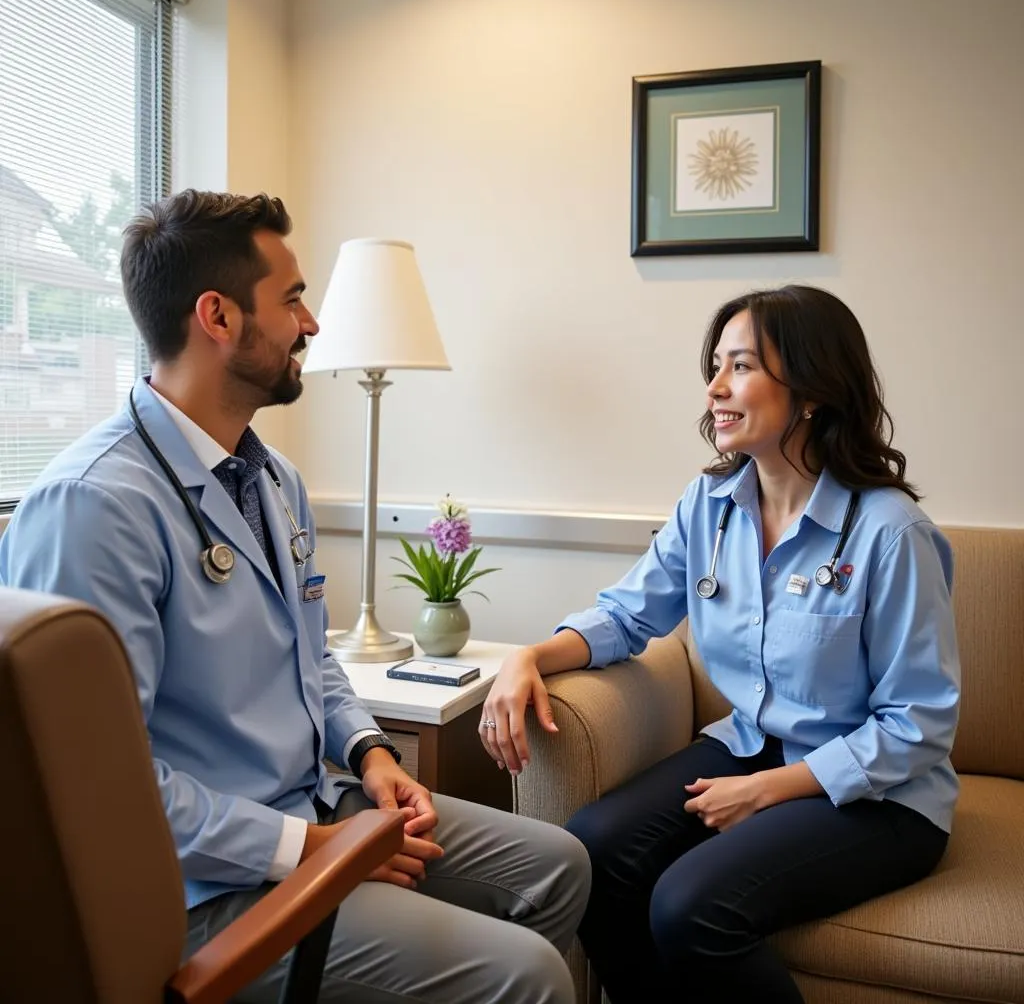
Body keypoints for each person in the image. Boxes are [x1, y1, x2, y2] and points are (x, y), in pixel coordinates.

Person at [0, 189, 589, 1004]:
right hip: (202, 886)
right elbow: (102, 790)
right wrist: (310, 848)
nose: (311, 324)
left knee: (557, 867)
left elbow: (314, 655)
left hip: (321, 798)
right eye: (292, 299)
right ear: (218, 316)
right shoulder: (96, 506)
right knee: (526, 978)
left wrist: (372, 756)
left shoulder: (271, 479)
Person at [479, 285, 960, 1003]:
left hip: (880, 796)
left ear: (810, 391)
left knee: (689, 904)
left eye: (741, 366)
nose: (715, 387)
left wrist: (770, 790)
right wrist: (526, 658)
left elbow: (917, 724)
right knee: (591, 855)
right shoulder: (709, 506)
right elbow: (627, 615)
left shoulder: (891, 533)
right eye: (716, 365)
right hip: (749, 742)